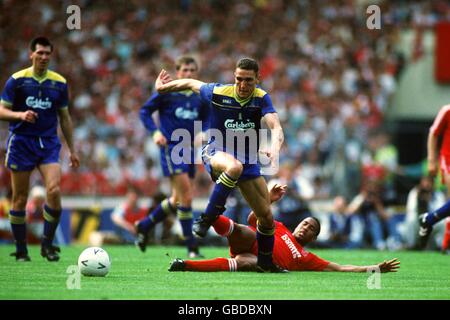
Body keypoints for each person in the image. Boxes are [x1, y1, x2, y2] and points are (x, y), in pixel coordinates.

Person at [154, 58, 285, 272]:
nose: (243, 85)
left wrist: (275, 148)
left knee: (266, 217)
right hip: (215, 152)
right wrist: (163, 88)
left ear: (257, 79)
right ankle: (207, 217)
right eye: (239, 79)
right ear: (234, 77)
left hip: (248, 159)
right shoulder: (218, 92)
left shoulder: (261, 98)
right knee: (233, 167)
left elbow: (276, 126)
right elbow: (190, 83)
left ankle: (265, 263)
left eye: (248, 81)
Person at [168, 184, 400, 273]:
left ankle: (184, 265)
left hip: (256, 259)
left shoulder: (306, 256)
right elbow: (253, 217)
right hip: (251, 241)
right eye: (304, 223)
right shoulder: (279, 227)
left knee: (243, 264)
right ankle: (204, 217)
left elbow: (340, 268)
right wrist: (269, 199)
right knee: (244, 230)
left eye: (310, 228)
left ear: (314, 236)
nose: (305, 228)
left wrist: (374, 268)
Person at [0, 36, 80, 261]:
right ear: (31, 54)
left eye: (47, 54)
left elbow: (65, 118)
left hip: (48, 143)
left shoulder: (59, 83)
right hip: (22, 142)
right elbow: (1, 111)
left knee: (53, 190)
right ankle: (21, 249)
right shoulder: (17, 81)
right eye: (40, 53)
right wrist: (19, 115)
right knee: (19, 198)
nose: (44, 57)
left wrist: (72, 150)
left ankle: (47, 244)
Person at [135, 56, 210, 258]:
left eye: (192, 70)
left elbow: (207, 120)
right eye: (185, 70)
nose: (188, 74)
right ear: (178, 72)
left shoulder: (199, 96)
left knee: (178, 199)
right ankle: (192, 247)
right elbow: (144, 111)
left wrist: (204, 132)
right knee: (186, 197)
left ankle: (143, 225)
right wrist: (154, 132)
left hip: (190, 150)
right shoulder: (166, 92)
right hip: (171, 147)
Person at [420, 104, 450, 248]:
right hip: (448, 159)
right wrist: (432, 160)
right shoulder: (447, 110)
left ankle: (430, 219)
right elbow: (433, 133)